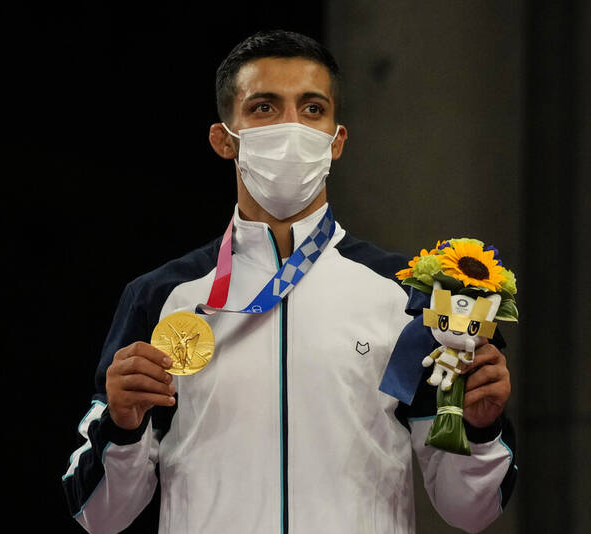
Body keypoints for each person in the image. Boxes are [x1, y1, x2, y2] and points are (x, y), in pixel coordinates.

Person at [62, 30, 517, 534]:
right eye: (264, 108)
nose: (291, 126)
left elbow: (469, 509)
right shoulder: (161, 297)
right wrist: (122, 426)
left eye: (312, 108)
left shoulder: (410, 299)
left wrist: (480, 429)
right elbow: (100, 517)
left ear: (336, 140)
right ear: (223, 139)